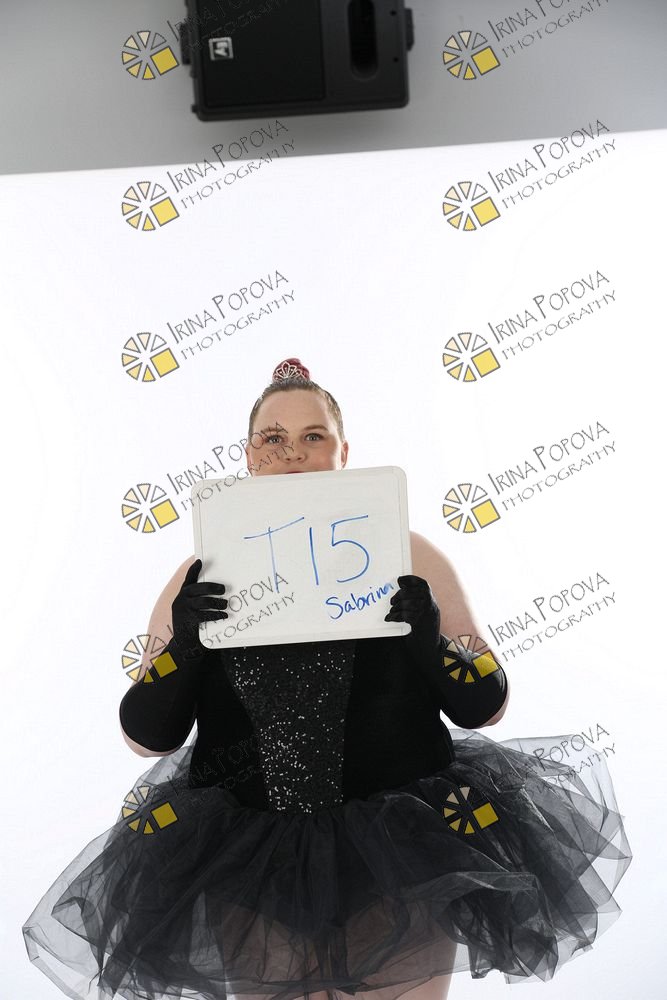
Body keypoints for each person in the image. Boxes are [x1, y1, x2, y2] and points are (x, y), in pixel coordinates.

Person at [22, 357, 632, 1000]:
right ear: (249, 455)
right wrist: (188, 647)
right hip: (249, 857)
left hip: (403, 848)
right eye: (273, 437)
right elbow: (146, 736)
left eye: (313, 435)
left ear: (344, 452)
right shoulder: (200, 574)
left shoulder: (412, 554)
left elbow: (485, 704)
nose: (292, 453)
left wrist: (430, 643)